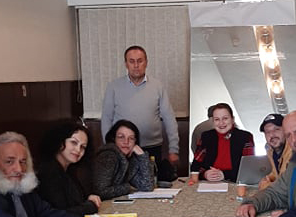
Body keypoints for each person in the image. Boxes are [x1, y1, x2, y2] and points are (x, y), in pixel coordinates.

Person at [101, 45, 180, 175]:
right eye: (132, 61)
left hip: (152, 147)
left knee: (151, 182)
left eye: (140, 61)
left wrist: (173, 149)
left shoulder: (157, 86)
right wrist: (109, 147)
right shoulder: (113, 87)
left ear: (146, 62)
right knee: (124, 183)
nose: (136, 65)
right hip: (123, 148)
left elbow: (169, 118)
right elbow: (106, 118)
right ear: (126, 64)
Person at [37, 120, 102, 217]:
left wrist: (89, 199)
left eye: (83, 147)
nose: (78, 150)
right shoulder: (48, 173)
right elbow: (59, 214)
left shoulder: (69, 170)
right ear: (60, 142)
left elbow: (76, 203)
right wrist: (91, 206)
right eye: (74, 142)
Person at [190, 102, 255, 182]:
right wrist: (205, 174)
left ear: (232, 119)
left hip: (235, 183)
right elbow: (196, 165)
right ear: (213, 121)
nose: (221, 123)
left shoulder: (245, 137)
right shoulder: (206, 136)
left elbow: (249, 169)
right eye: (217, 119)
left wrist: (224, 175)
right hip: (209, 183)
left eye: (225, 118)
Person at [93, 120, 155, 200]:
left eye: (131, 138)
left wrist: (142, 156)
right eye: (121, 137)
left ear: (135, 141)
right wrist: (127, 187)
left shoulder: (130, 158)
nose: (126, 142)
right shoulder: (108, 156)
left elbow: (147, 186)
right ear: (113, 139)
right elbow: (100, 192)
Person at [257, 113, 292, 189]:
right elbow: (275, 174)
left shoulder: (294, 151)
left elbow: (291, 185)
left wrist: (268, 186)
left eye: (276, 129)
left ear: (286, 130)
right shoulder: (271, 151)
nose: (272, 135)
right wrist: (266, 179)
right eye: (267, 132)